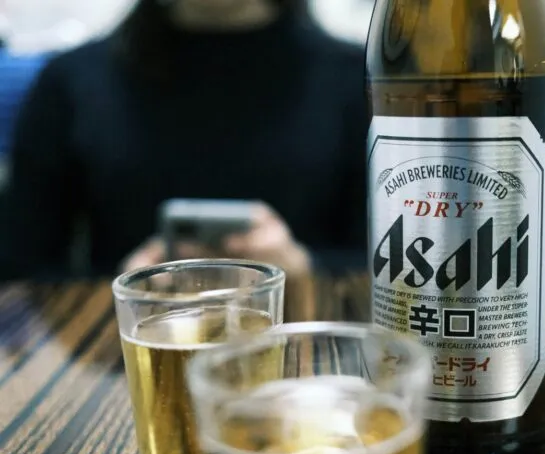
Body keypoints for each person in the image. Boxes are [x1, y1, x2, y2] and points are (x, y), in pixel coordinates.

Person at [0, 0, 368, 282]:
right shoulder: (70, 81)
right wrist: (128, 286)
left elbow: (387, 260)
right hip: (125, 352)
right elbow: (23, 265)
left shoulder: (359, 79)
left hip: (307, 350)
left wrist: (302, 266)